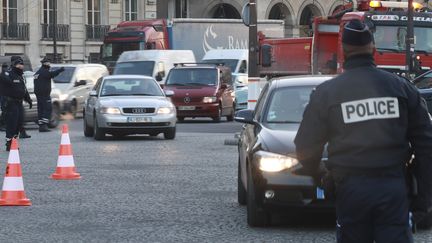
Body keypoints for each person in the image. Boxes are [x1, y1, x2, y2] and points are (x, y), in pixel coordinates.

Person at [294, 19, 432, 243]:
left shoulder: (327, 93)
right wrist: (423, 197)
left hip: (351, 190)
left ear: (344, 51)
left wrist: (321, 177)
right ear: (373, 49)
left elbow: (305, 147)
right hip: (393, 188)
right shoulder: (402, 89)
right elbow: (426, 146)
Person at [3, 56, 32, 151]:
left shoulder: (20, 76)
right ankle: (9, 142)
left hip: (19, 103)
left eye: (21, 65)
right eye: (18, 64)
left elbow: (24, 89)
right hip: (10, 103)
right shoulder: (9, 74)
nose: (20, 66)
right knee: (12, 123)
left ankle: (14, 141)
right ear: (14, 65)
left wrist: (28, 99)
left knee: (19, 123)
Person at [34, 57, 64, 132]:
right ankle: (44, 125)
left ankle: (41, 125)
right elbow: (52, 74)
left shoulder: (38, 72)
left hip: (39, 94)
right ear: (44, 63)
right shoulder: (44, 71)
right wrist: (60, 70)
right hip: (44, 94)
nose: (49, 64)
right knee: (47, 109)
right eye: (48, 63)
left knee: (41, 109)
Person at [0, 63, 8, 131]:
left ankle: (3, 124)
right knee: (4, 111)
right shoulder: (4, 75)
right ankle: (2, 125)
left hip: (4, 95)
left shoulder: (3, 74)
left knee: (4, 110)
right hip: (3, 95)